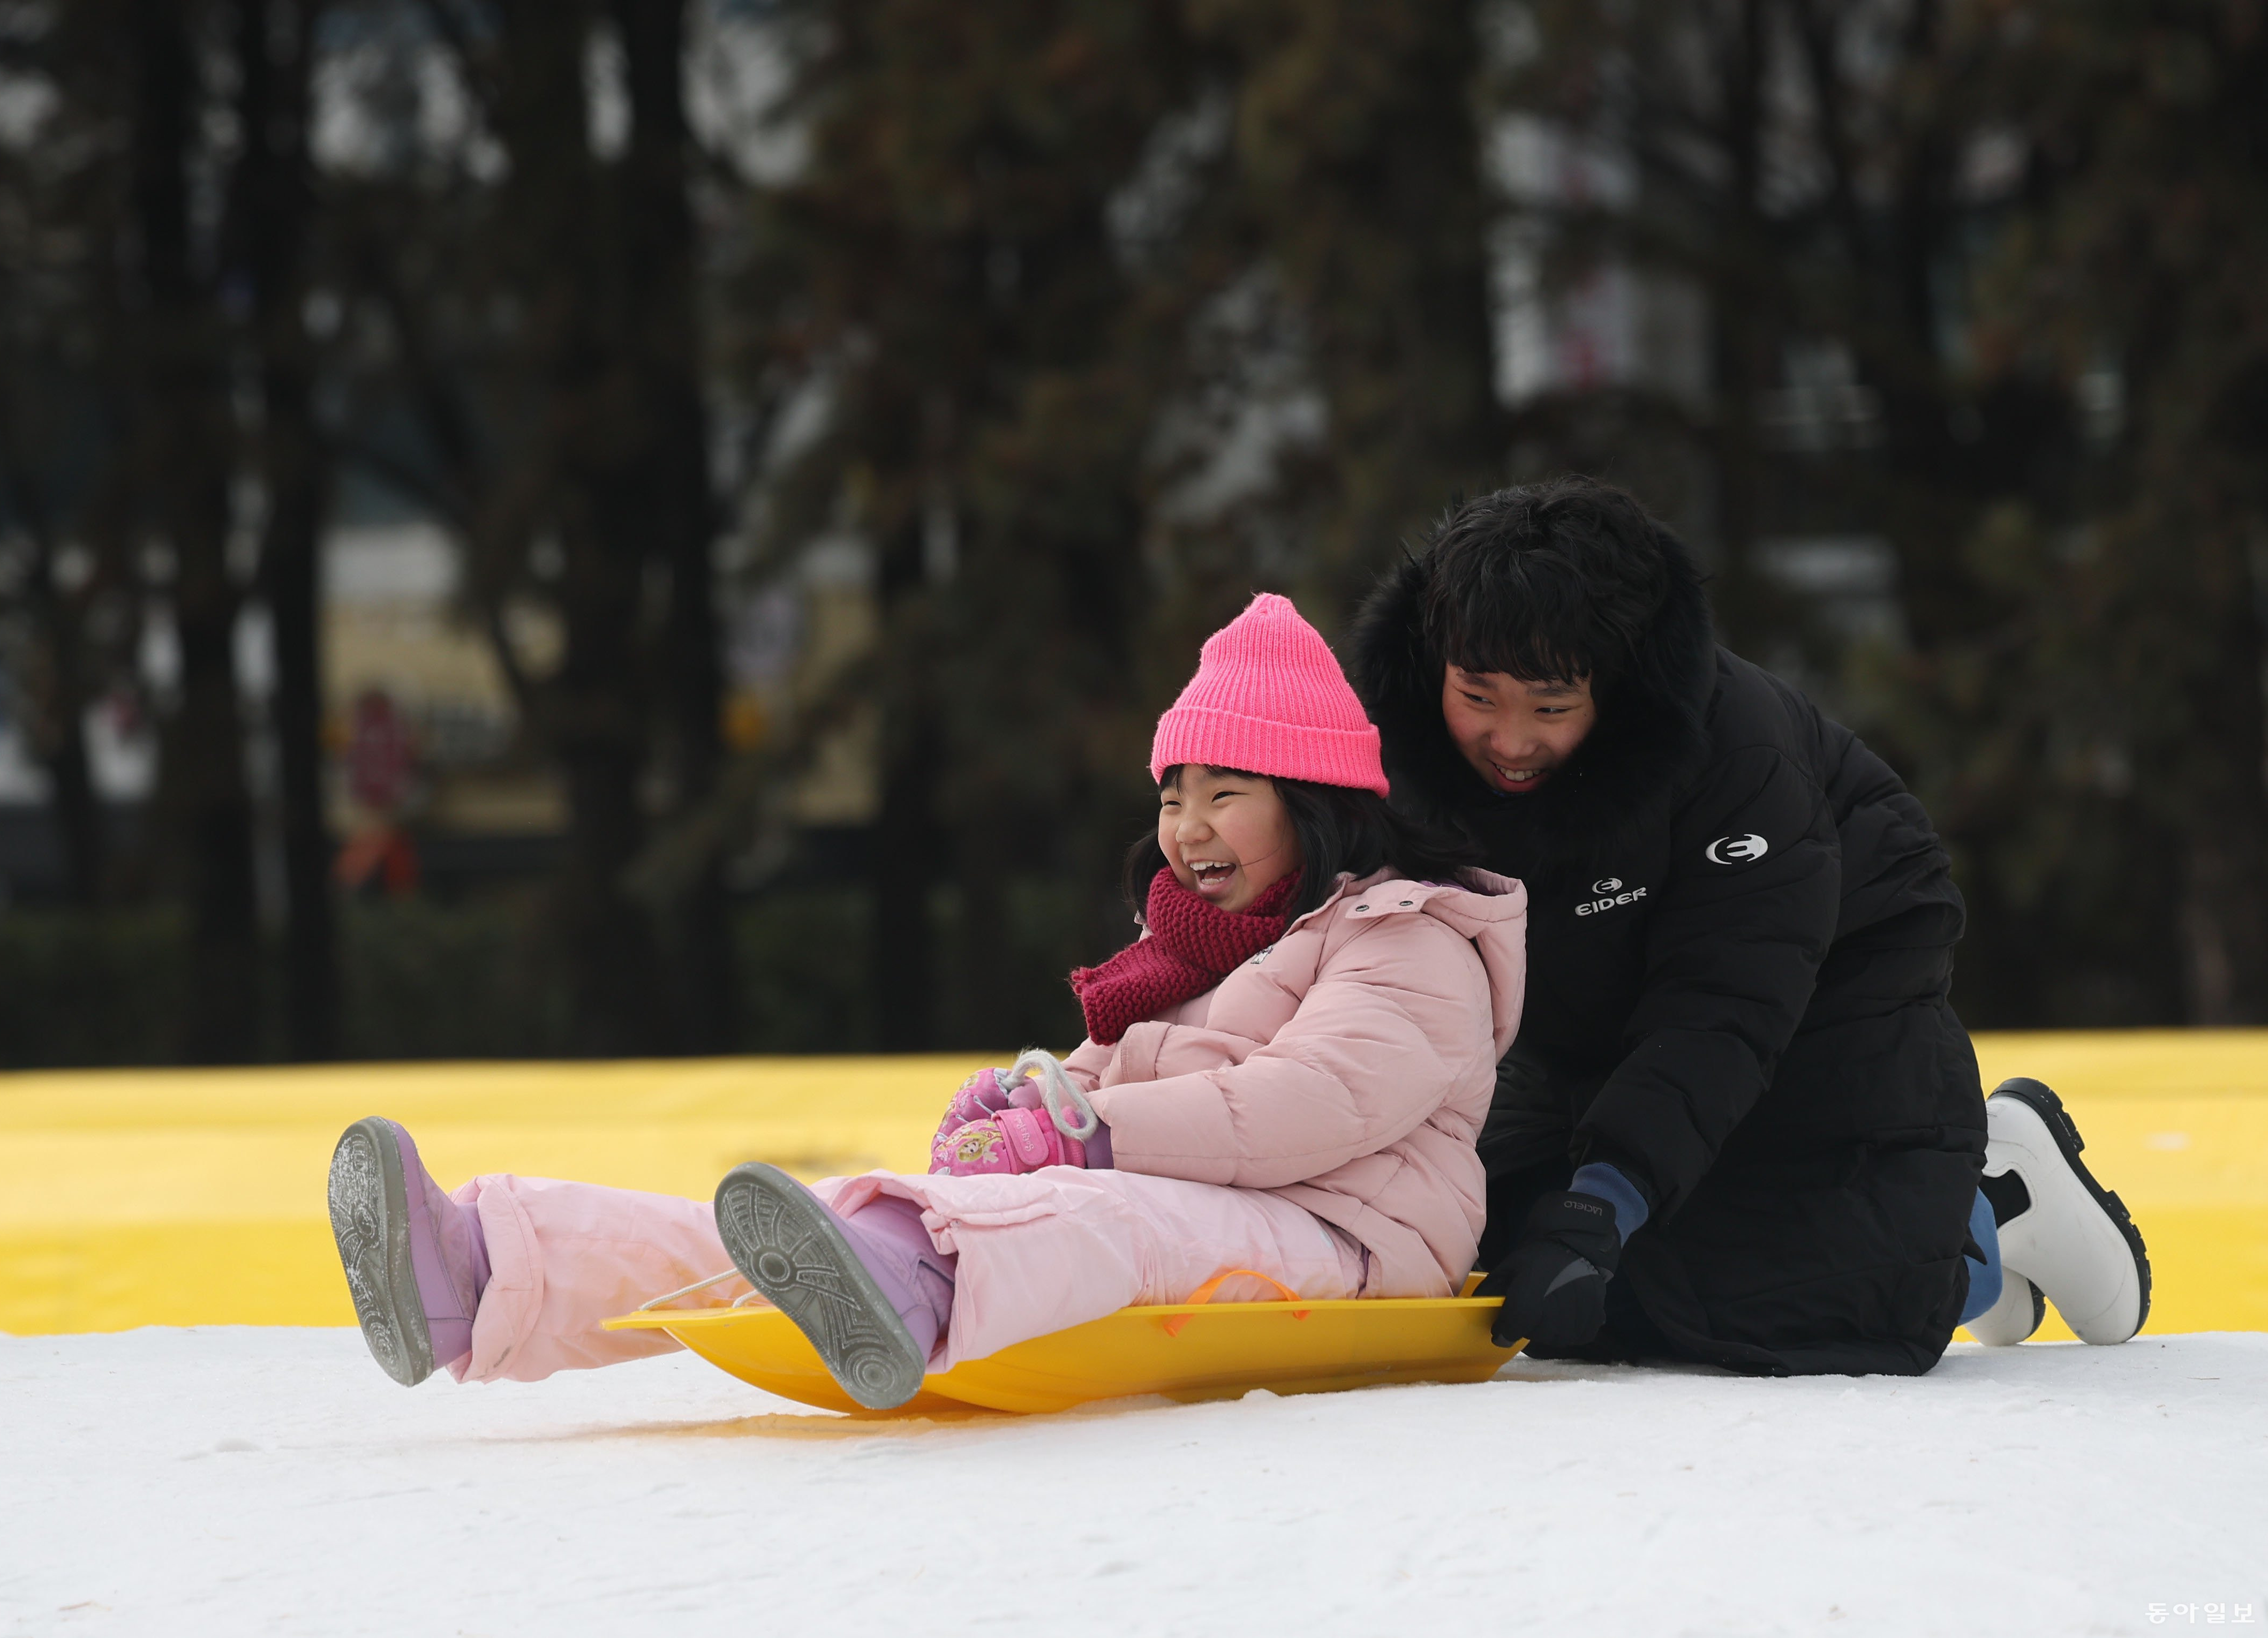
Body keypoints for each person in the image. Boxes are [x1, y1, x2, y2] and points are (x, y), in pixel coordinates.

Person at [327, 593, 1525, 1409]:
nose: (1186, 829)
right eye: (1171, 795)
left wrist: (1085, 1133)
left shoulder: (1407, 936)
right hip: (1195, 1197)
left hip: (1347, 1241)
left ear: (1317, 804)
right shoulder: (1200, 950)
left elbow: (1313, 1105)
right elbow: (1111, 1087)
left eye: (1226, 791)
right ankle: (479, 1265)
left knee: (1104, 1219)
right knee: (827, 1218)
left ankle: (909, 1281)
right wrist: (1025, 1104)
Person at [1348, 476, 2151, 1376]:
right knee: (1506, 1265)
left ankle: (1990, 1204)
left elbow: (1723, 999)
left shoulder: (1738, 757)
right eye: (1477, 697)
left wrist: (1606, 1197)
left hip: (1825, 988)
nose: (1508, 740)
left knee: (1800, 1300)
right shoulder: (1379, 744)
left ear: (1616, 680)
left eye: (1549, 707)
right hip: (1592, 1022)